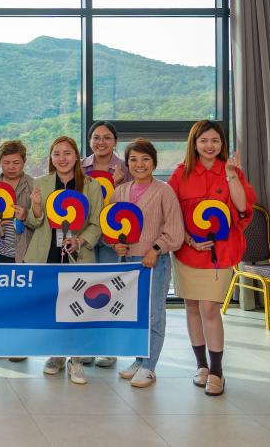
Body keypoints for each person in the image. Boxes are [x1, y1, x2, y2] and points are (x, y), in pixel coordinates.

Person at [168, 120, 255, 397]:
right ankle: (201, 366)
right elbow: (171, 214)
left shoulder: (232, 172)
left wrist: (231, 176)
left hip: (221, 253)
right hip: (187, 251)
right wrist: (188, 240)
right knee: (192, 307)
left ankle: (217, 371)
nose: (209, 145)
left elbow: (243, 208)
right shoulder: (180, 174)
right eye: (203, 140)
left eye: (215, 140)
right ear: (194, 144)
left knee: (209, 308)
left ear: (222, 144)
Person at [24, 136, 104, 385]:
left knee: (77, 307)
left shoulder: (90, 185)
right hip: (46, 253)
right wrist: (37, 207)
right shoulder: (41, 182)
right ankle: (56, 355)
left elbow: (97, 223)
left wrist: (80, 241)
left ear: (76, 156)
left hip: (77, 255)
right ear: (51, 158)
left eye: (67, 153)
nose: (62, 158)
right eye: (56, 153)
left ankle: (76, 360)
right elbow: (34, 222)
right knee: (52, 307)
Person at [111, 139, 184, 388]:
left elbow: (175, 231)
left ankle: (149, 366)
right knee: (135, 314)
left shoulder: (164, 191)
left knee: (153, 314)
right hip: (127, 263)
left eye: (145, 159)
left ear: (154, 162)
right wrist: (115, 244)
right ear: (127, 163)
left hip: (154, 262)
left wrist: (156, 248)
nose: (139, 164)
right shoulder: (120, 192)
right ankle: (139, 359)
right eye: (133, 159)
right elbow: (111, 226)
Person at [79, 121, 131, 368]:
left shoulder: (125, 168)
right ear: (90, 141)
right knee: (85, 290)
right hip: (86, 236)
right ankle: (87, 346)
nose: (101, 142)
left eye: (107, 137)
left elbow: (130, 203)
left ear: (115, 141)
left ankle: (108, 348)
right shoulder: (81, 167)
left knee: (108, 291)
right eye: (96, 138)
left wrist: (118, 184)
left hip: (112, 238)